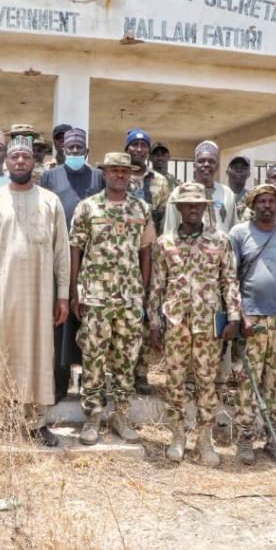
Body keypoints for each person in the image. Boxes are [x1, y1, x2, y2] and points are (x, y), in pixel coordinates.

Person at [0, 135, 70, 446]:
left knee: (39, 353)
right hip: (1, 291)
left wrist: (63, 294)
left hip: (40, 293)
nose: (19, 162)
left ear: (33, 162)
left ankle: (36, 422)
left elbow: (61, 252)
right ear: (6, 162)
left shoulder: (50, 201)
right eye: (14, 157)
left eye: (25, 157)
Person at [150, 182, 241, 463]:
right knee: (175, 381)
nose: (192, 209)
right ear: (178, 208)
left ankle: (204, 441)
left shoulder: (220, 241)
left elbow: (230, 282)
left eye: (198, 204)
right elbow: (157, 285)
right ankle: (177, 437)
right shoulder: (165, 243)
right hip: (176, 324)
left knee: (207, 383)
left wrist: (235, 317)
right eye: (187, 204)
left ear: (205, 207)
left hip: (208, 325)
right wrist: (154, 321)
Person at [70, 152, 155, 446]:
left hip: (130, 297)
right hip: (95, 296)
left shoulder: (141, 208)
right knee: (93, 357)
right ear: (104, 173)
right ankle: (92, 417)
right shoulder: (87, 208)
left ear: (131, 175)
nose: (119, 175)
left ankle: (121, 415)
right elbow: (76, 249)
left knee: (126, 359)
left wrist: (142, 292)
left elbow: (146, 252)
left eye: (124, 171)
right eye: (114, 170)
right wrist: (74, 291)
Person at [229, 184, 276, 464]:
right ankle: (245, 439)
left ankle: (274, 439)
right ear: (252, 204)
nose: (267, 206)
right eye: (261, 201)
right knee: (248, 382)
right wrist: (241, 316)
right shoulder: (238, 234)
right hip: (252, 320)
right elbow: (230, 279)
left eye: (272, 201)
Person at [39, 127, 104, 401]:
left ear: (86, 151)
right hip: (57, 260)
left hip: (92, 263)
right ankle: (59, 383)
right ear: (62, 150)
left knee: (91, 325)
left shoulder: (98, 177)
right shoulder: (49, 176)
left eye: (79, 149)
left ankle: (92, 387)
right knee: (59, 325)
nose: (74, 153)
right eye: (70, 149)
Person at [126, 128, 170, 395]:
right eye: (134, 145)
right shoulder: (119, 175)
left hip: (151, 256)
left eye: (144, 146)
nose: (139, 150)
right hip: (121, 256)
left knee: (146, 314)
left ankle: (141, 373)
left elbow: (164, 221)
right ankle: (119, 373)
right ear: (127, 148)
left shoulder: (160, 182)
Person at [163, 141, 238, 235]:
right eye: (201, 161)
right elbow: (170, 228)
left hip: (222, 248)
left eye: (211, 161)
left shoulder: (227, 194)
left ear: (217, 166)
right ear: (194, 166)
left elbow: (234, 230)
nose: (206, 164)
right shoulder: (179, 193)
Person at [226, 155, 251, 221]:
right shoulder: (220, 194)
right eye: (235, 167)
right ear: (227, 172)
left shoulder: (253, 197)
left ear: (249, 174)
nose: (239, 170)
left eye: (244, 168)